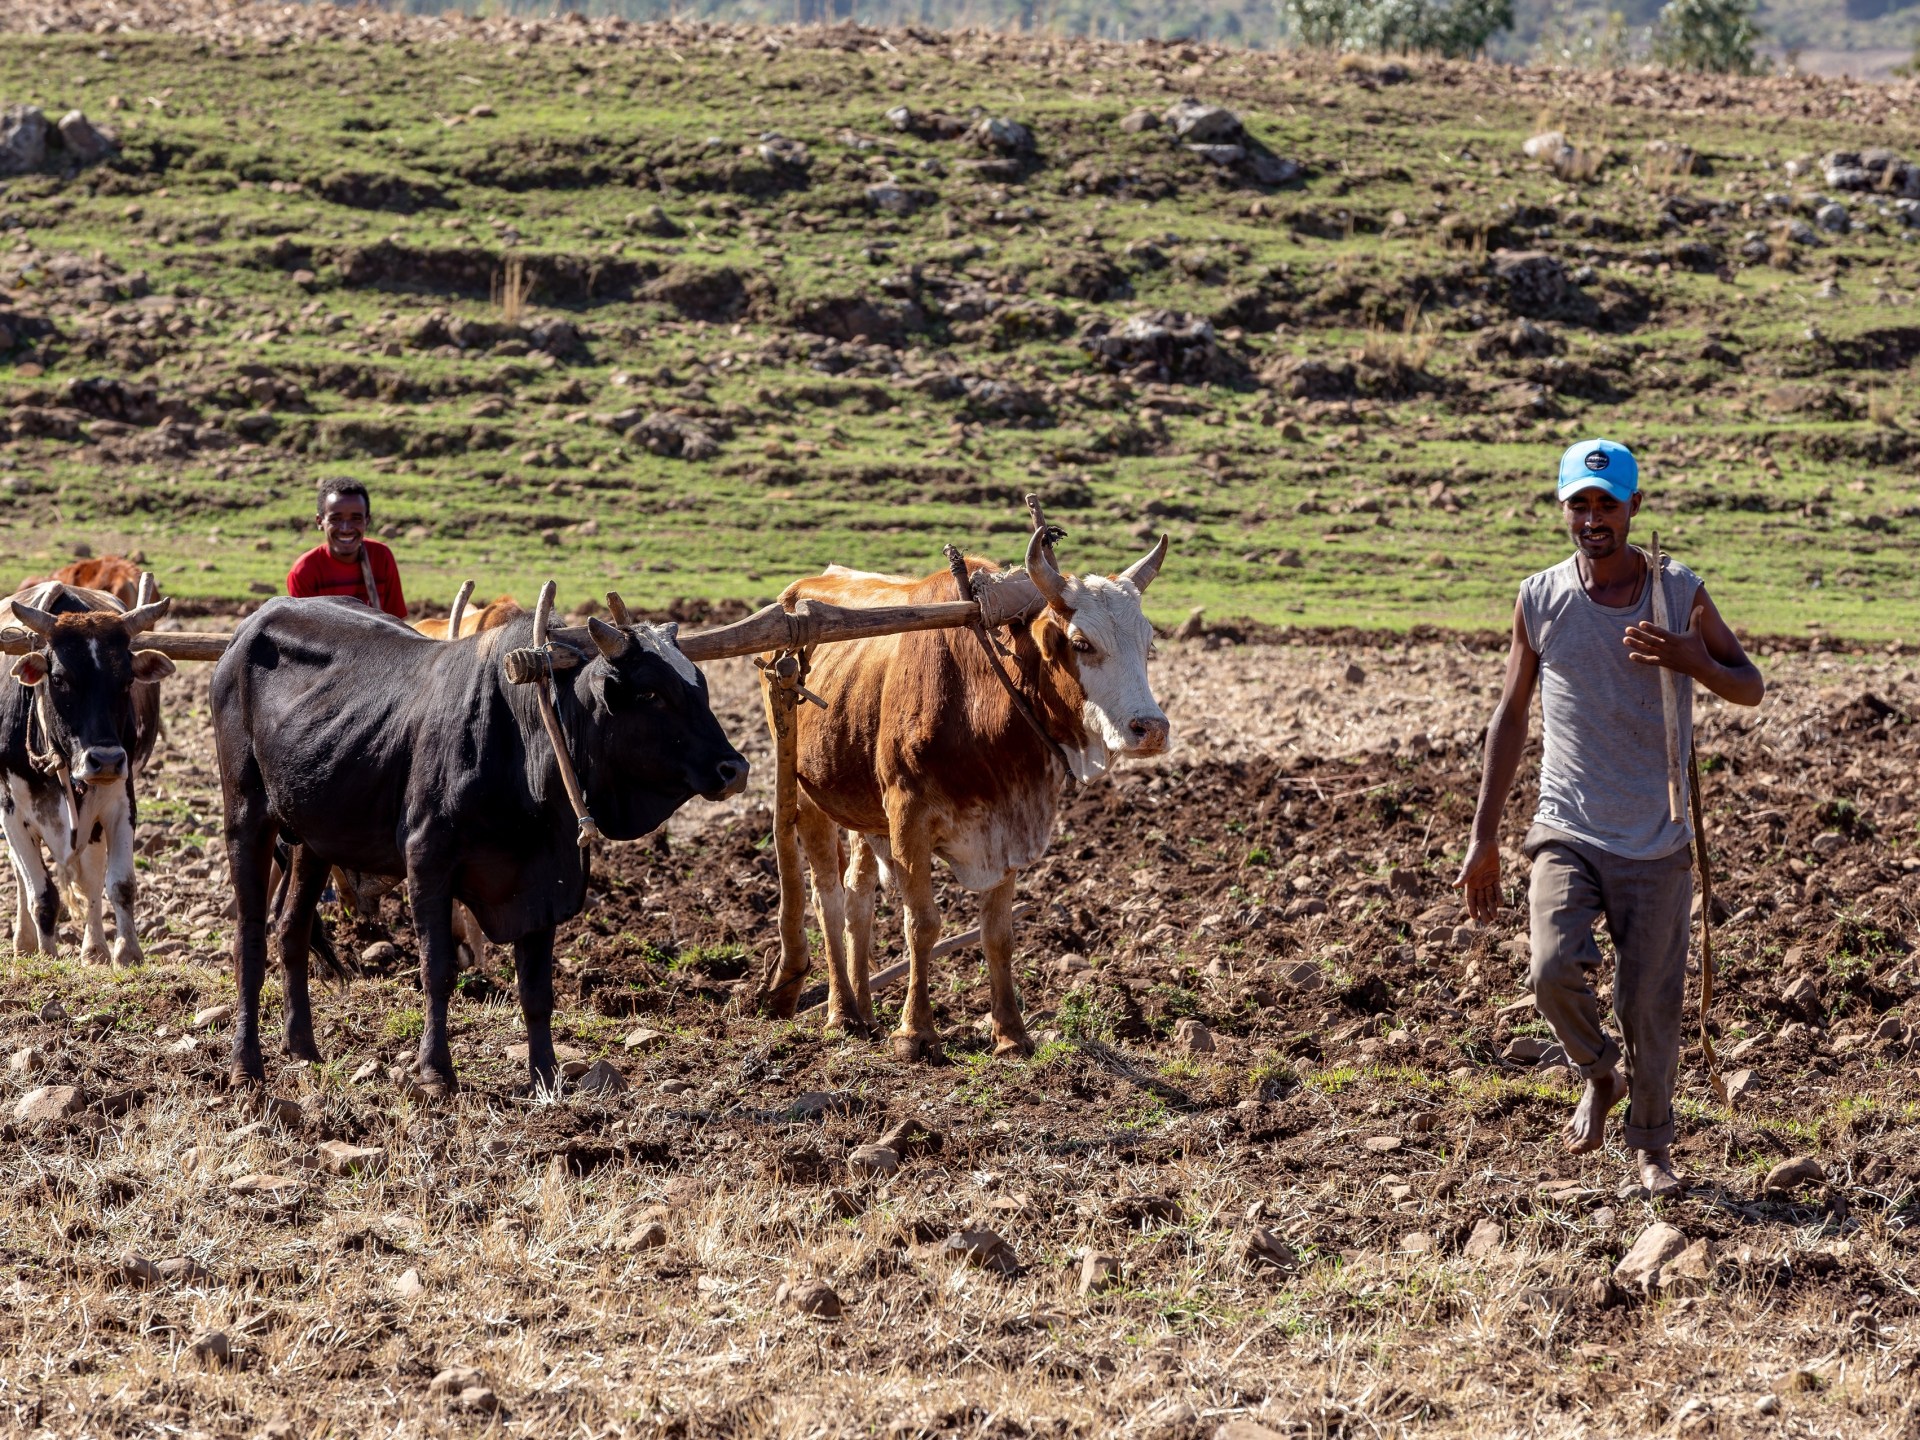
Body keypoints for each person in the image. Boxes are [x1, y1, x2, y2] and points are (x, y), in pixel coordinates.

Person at [1456, 438, 1764, 1197]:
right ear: (1564, 508)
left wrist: (1691, 660)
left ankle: (1653, 1148)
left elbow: (1748, 684)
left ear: (1633, 508)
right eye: (1580, 504)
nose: (1593, 519)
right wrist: (1483, 837)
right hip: (1569, 825)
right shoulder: (1540, 597)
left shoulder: (1677, 591)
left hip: (1657, 835)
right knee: (1551, 967)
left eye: (1607, 504)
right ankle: (1598, 1072)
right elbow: (1510, 714)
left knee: (1650, 1006)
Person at [287, 480, 408, 620]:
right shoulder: (304, 571)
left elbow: (397, 624)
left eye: (355, 518)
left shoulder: (381, 557)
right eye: (336, 519)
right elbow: (306, 635)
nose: (345, 529)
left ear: (367, 521)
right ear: (320, 522)